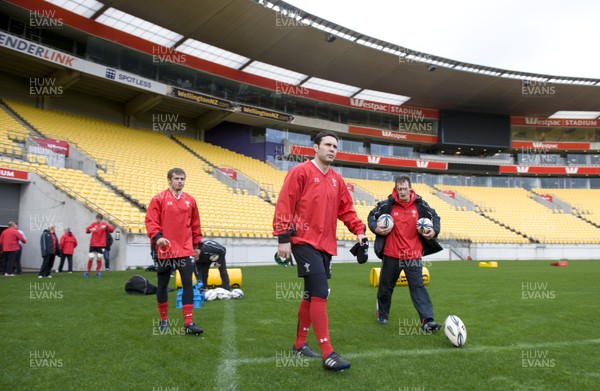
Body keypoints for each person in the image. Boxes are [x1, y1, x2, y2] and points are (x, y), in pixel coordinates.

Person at [273, 131, 366, 372]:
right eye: (327, 145)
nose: (332, 149)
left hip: (326, 246)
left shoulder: (337, 179)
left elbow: (346, 210)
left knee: (310, 295)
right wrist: (283, 237)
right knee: (320, 293)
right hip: (303, 241)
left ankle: (299, 344)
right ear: (315, 147)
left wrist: (359, 230)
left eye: (335, 146)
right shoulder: (300, 172)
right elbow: (285, 203)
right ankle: (328, 353)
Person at [367, 175, 443, 331]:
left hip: (413, 255)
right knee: (385, 287)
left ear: (410, 188)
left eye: (404, 189)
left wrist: (434, 231)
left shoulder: (421, 205)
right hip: (391, 254)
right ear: (396, 189)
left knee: (418, 288)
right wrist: (376, 228)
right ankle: (382, 314)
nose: (402, 192)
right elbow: (371, 216)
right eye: (399, 189)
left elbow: (435, 217)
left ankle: (427, 321)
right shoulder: (387, 204)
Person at [145, 168, 203, 335]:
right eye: (177, 178)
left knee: (188, 285)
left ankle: (188, 323)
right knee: (162, 285)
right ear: (169, 180)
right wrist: (158, 237)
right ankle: (163, 320)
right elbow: (151, 221)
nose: (180, 182)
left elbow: (195, 224)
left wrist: (197, 245)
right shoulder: (158, 199)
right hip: (165, 250)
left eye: (182, 179)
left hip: (185, 249)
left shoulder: (190, 201)